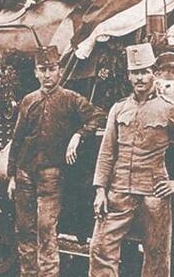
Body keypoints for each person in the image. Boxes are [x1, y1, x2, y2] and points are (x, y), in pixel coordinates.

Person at [88, 43, 174, 277]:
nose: (140, 78)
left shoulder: (168, 109)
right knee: (101, 248)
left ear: (154, 73)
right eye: (135, 72)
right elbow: (106, 153)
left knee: (156, 256)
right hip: (119, 192)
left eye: (145, 71)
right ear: (128, 76)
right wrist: (100, 190)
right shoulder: (118, 109)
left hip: (154, 194)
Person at [6, 45, 104, 277]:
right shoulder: (28, 101)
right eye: (42, 69)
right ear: (36, 73)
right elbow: (17, 139)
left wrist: (78, 135)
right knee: (25, 229)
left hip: (51, 175)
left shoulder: (71, 99)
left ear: (59, 70)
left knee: (46, 229)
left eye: (51, 69)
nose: (47, 75)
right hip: (24, 173)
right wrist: (11, 176)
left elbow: (98, 116)